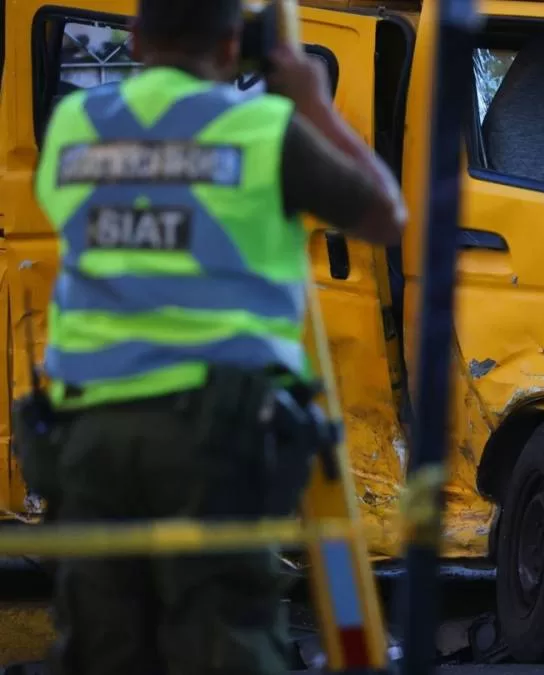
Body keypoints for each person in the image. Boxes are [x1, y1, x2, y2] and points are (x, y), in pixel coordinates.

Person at [30, 0, 407, 673]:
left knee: (103, 645)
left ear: (137, 39)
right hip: (216, 429)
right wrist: (312, 104)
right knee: (222, 642)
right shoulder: (260, 131)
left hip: (88, 430)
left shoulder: (74, 125)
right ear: (235, 49)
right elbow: (386, 214)